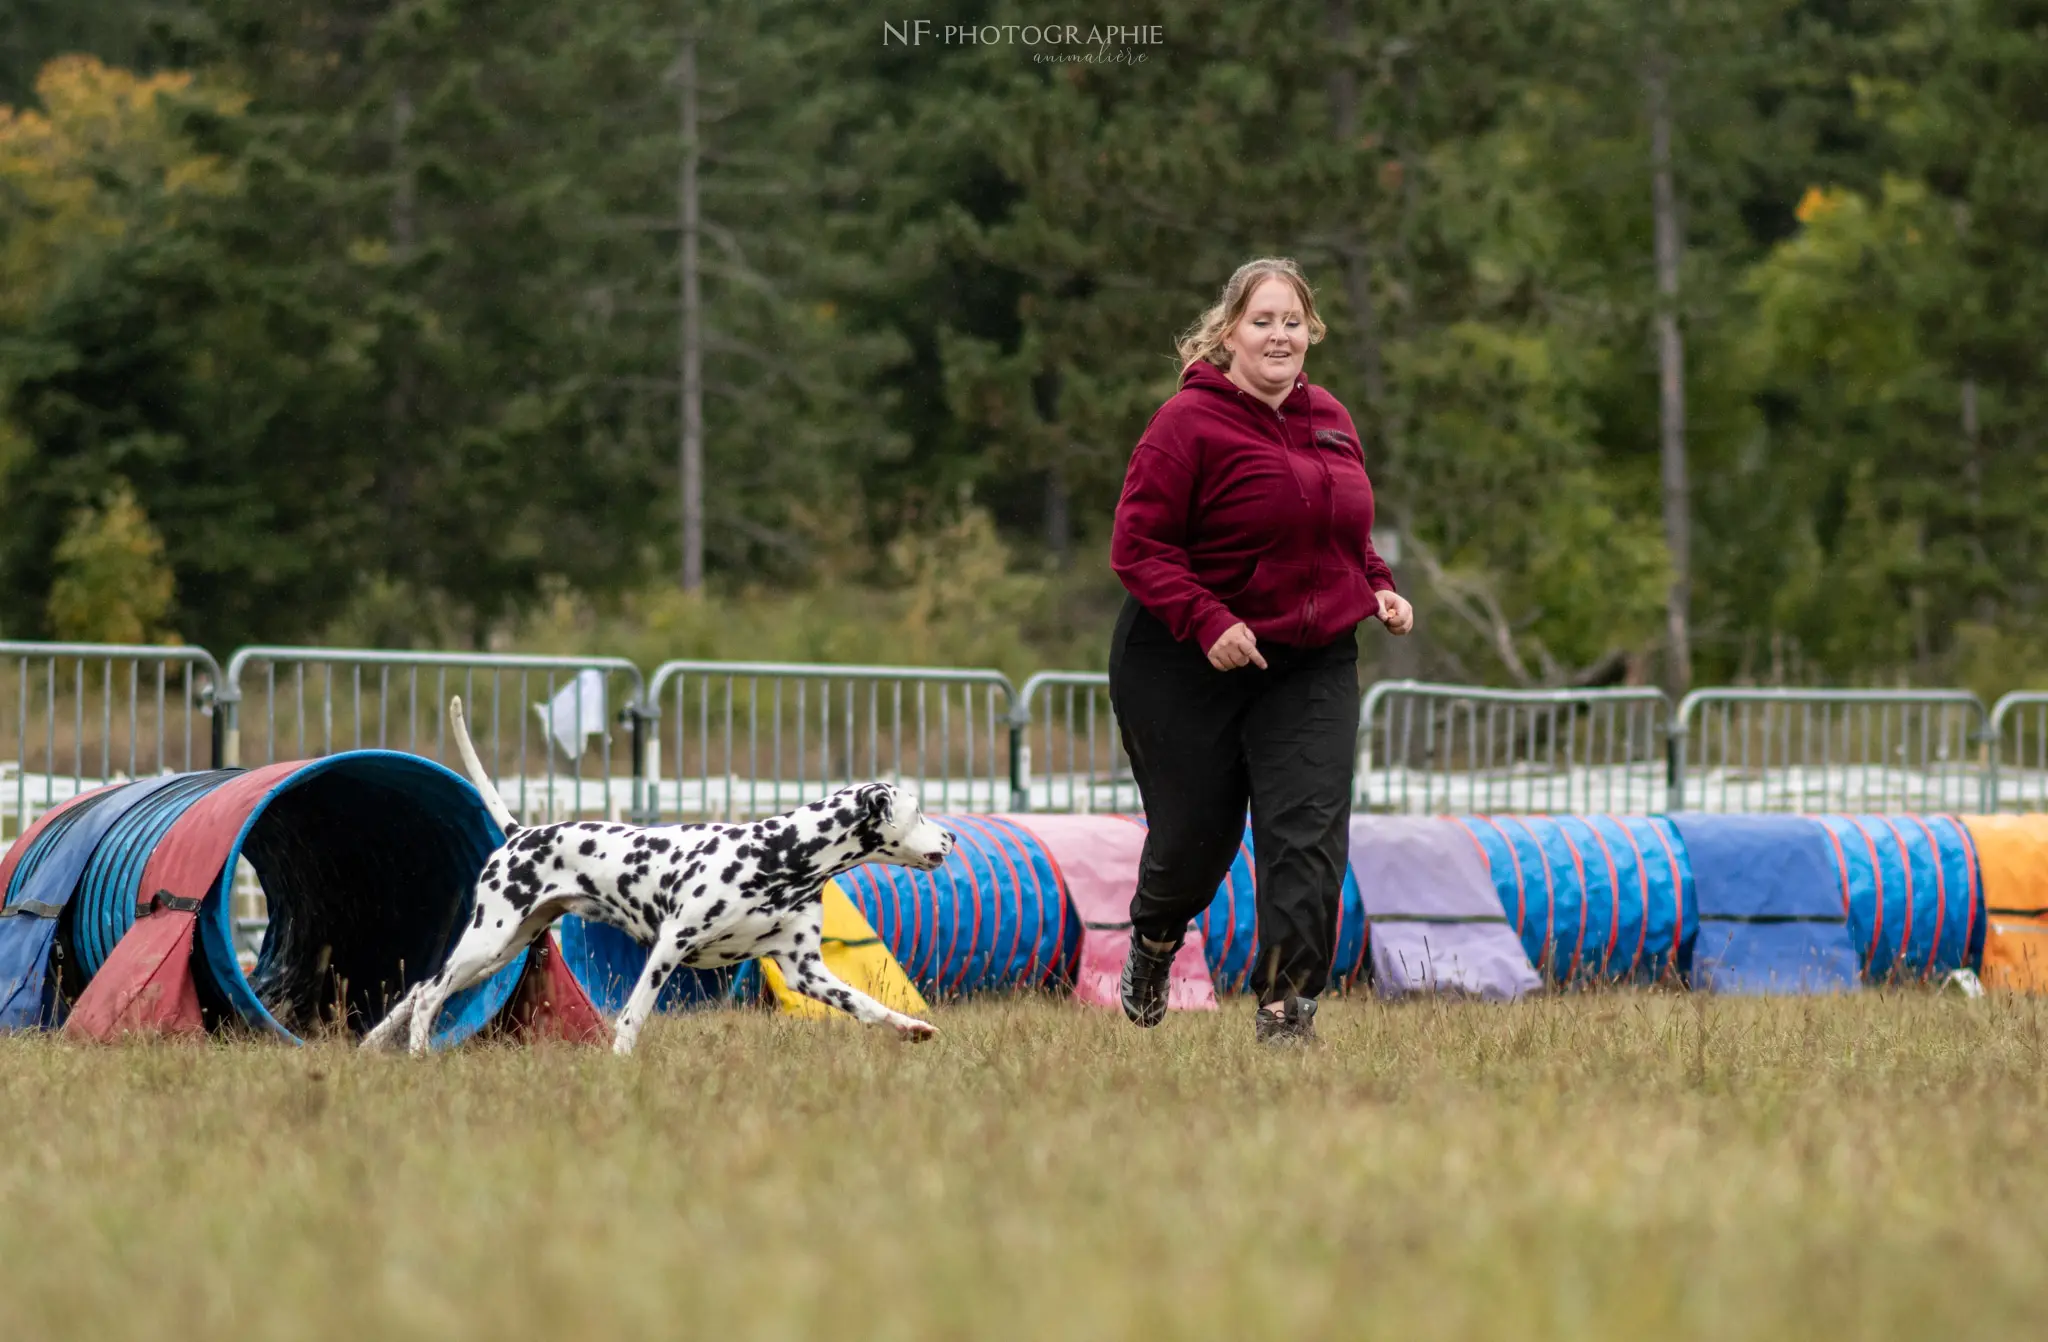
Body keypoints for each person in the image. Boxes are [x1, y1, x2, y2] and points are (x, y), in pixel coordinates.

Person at [1108, 256, 1414, 1045]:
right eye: (1262, 321)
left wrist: (1376, 584)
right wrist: (1208, 620)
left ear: (1310, 332)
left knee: (1308, 835)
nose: (1279, 336)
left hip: (1309, 661)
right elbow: (1137, 547)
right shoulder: (1187, 423)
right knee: (1195, 840)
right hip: (1183, 658)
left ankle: (1287, 1011)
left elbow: (1339, 528)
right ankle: (1153, 940)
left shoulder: (1332, 418)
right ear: (1230, 333)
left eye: (1292, 322)